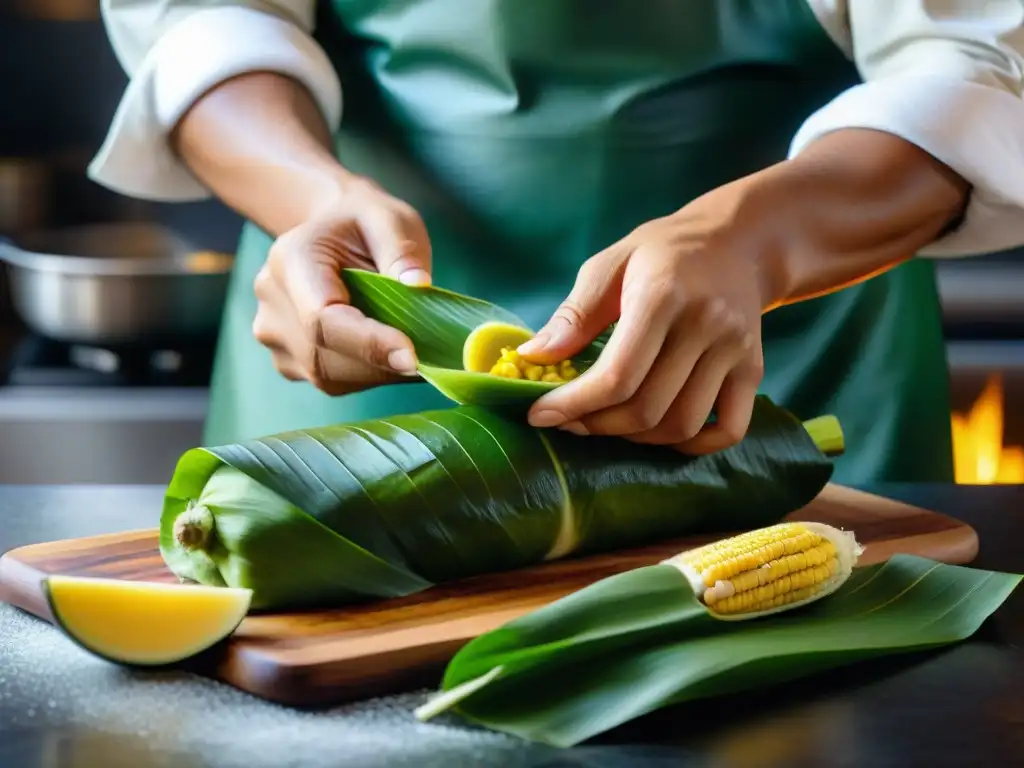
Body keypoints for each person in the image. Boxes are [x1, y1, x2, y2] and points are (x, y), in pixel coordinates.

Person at [91, 1, 1024, 485]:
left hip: (788, 363)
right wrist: (309, 195)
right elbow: (206, 26)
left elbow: (976, 72)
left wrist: (752, 243)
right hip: (361, 360)